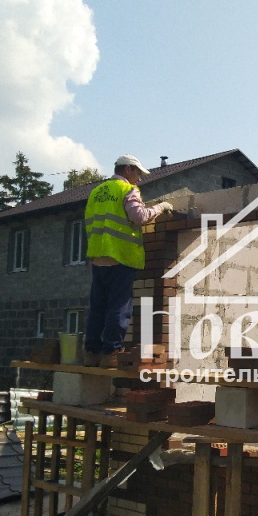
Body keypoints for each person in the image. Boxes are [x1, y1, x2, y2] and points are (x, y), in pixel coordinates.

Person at [83, 154, 173, 368]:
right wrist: (161, 207)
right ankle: (111, 353)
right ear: (127, 169)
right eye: (138, 173)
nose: (139, 179)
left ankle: (91, 353)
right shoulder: (127, 189)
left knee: (98, 308)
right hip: (120, 256)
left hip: (98, 257)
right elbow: (139, 217)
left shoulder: (96, 192)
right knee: (119, 306)